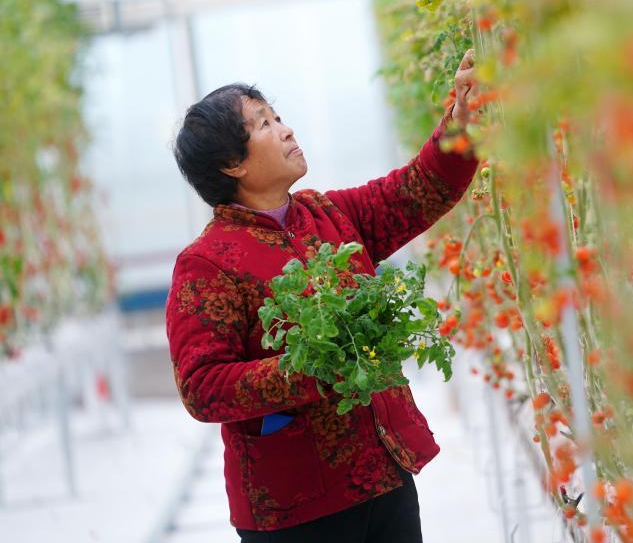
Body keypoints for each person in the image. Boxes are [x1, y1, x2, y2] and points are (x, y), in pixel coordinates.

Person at [166, 50, 480, 541]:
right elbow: (202, 387)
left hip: (382, 472)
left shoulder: (329, 215)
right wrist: (309, 367)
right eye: (264, 124)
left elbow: (420, 189)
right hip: (296, 507)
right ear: (232, 164)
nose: (286, 129)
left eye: (279, 117)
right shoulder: (207, 263)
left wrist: (461, 121)